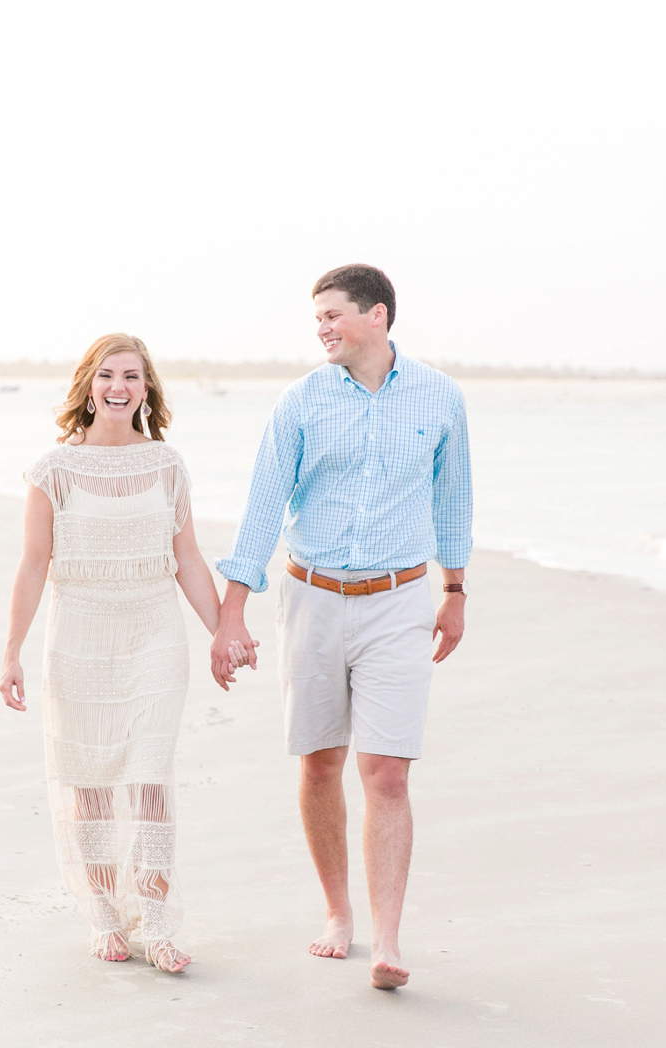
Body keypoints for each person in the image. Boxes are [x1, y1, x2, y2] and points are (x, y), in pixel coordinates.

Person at [210, 264, 472, 990]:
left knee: (387, 770)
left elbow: (454, 500)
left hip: (400, 600)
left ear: (378, 315)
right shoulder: (301, 402)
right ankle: (338, 914)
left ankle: (388, 938)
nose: (321, 327)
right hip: (312, 595)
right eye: (317, 318)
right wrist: (232, 607)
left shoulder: (439, 397)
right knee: (321, 763)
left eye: (333, 315)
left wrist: (455, 590)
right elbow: (264, 506)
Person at [0, 333, 248, 973]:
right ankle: (106, 914)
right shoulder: (52, 470)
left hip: (154, 633)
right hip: (78, 636)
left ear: (147, 389)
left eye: (132, 376)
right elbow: (33, 566)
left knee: (150, 780)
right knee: (93, 789)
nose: (119, 386)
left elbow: (187, 558)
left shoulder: (167, 465)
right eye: (107, 374)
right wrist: (11, 653)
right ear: (88, 385)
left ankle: (159, 921)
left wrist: (224, 628)